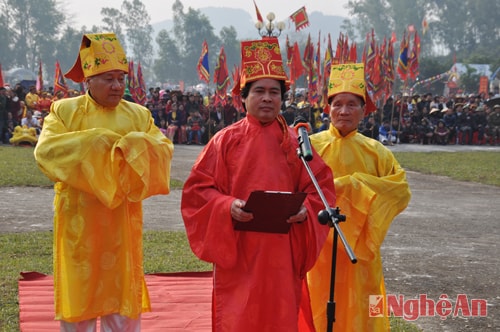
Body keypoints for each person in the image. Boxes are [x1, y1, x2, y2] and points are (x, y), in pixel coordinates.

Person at [181, 37, 336, 332]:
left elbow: (321, 190)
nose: (267, 98)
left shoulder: (297, 142)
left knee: (280, 317)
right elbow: (197, 193)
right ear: (244, 98)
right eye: (260, 91)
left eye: (274, 93)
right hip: (238, 250)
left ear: (282, 99)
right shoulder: (224, 141)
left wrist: (305, 210)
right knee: (239, 317)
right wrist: (227, 205)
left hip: (283, 251)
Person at [33, 32, 174, 331]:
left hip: (121, 222)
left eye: (121, 78)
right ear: (88, 79)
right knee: (79, 300)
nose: (117, 86)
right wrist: (99, 143)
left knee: (122, 300)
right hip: (79, 223)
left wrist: (132, 145)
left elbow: (162, 152)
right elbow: (46, 152)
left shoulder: (139, 116)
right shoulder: (64, 111)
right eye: (108, 78)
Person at [302, 63, 411, 331]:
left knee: (362, 311)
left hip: (361, 250)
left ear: (364, 110)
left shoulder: (377, 152)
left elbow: (400, 191)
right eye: (337, 104)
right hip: (319, 249)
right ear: (327, 108)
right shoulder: (309, 147)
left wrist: (354, 186)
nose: (344, 111)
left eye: (352, 104)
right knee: (317, 308)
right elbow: (295, 190)